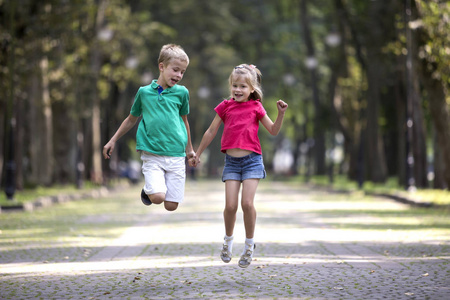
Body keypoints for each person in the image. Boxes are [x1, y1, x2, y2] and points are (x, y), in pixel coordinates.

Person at [191, 64, 288, 268]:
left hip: (252, 160)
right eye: (235, 85)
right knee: (230, 206)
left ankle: (249, 245)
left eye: (243, 86)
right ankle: (227, 241)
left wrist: (280, 114)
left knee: (247, 204)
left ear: (252, 88)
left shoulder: (256, 107)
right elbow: (210, 131)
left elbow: (273, 130)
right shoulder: (225, 106)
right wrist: (197, 154)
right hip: (232, 163)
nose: (238, 90)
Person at [103, 44, 195, 212]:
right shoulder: (144, 93)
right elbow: (131, 119)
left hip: (176, 153)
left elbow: (185, 121)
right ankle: (150, 189)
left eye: (182, 72)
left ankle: (155, 186)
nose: (179, 75)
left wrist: (190, 149)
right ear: (162, 66)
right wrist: (113, 140)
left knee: (171, 206)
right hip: (152, 153)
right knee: (158, 198)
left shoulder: (182, 93)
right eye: (175, 70)